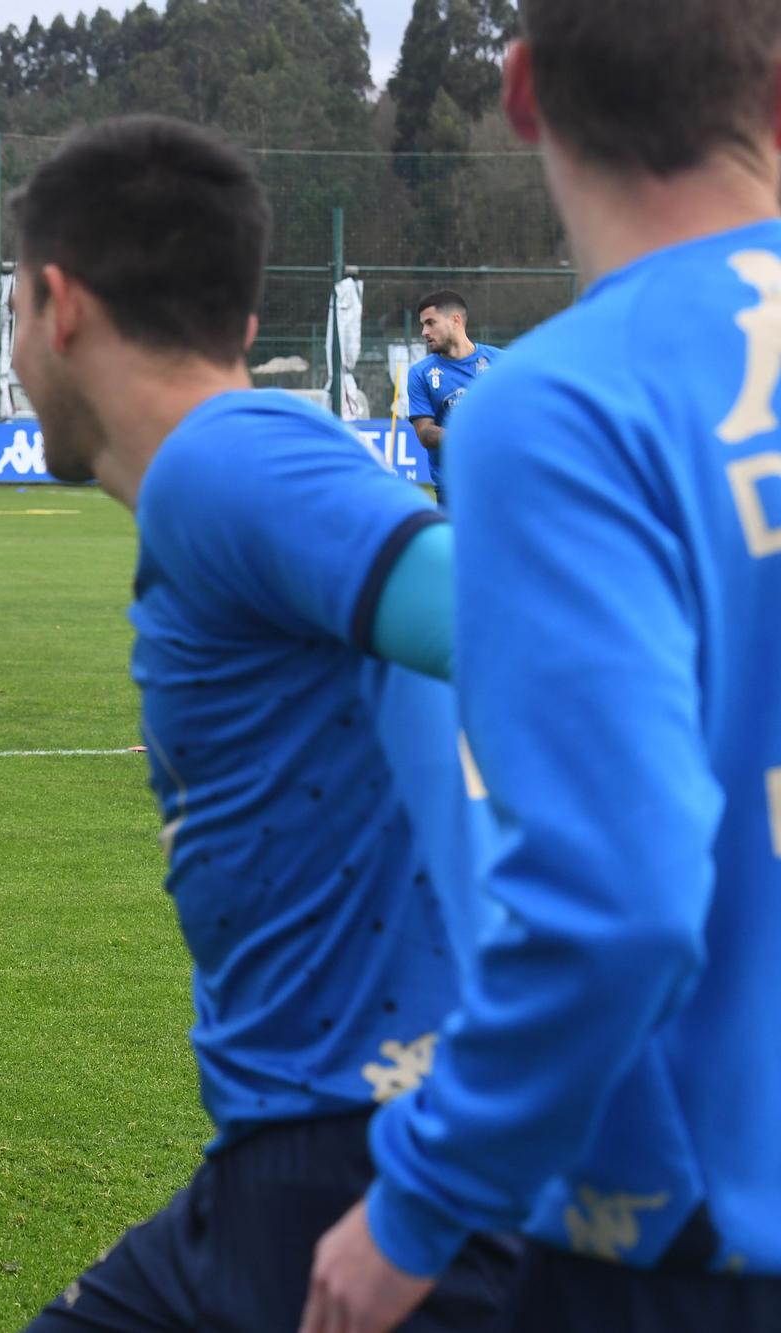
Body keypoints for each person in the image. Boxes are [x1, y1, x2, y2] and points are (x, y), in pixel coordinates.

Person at [304, 1, 781, 1328]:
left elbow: (617, 903)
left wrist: (414, 1204)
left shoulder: (567, 403)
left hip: (699, 1242)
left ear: (520, 96)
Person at [5, 117, 516, 1332]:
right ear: (239, 322)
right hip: (293, 1151)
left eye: (16, 309)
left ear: (54, 305)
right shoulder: (247, 464)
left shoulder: (220, 466)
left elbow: (533, 631)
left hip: (362, 1161)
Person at [404, 291, 501, 508]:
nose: (424, 332)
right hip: (452, 487)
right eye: (422, 324)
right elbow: (426, 434)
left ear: (455, 320)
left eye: (430, 323)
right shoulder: (421, 373)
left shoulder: (501, 363)